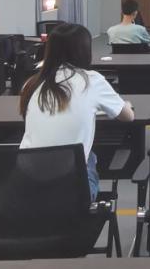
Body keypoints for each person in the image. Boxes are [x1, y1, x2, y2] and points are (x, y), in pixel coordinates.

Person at [20, 24, 135, 201]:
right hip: (72, 192)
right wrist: (124, 104)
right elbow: (128, 117)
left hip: (26, 188)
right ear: (84, 51)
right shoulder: (91, 80)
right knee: (89, 156)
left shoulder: (31, 84)